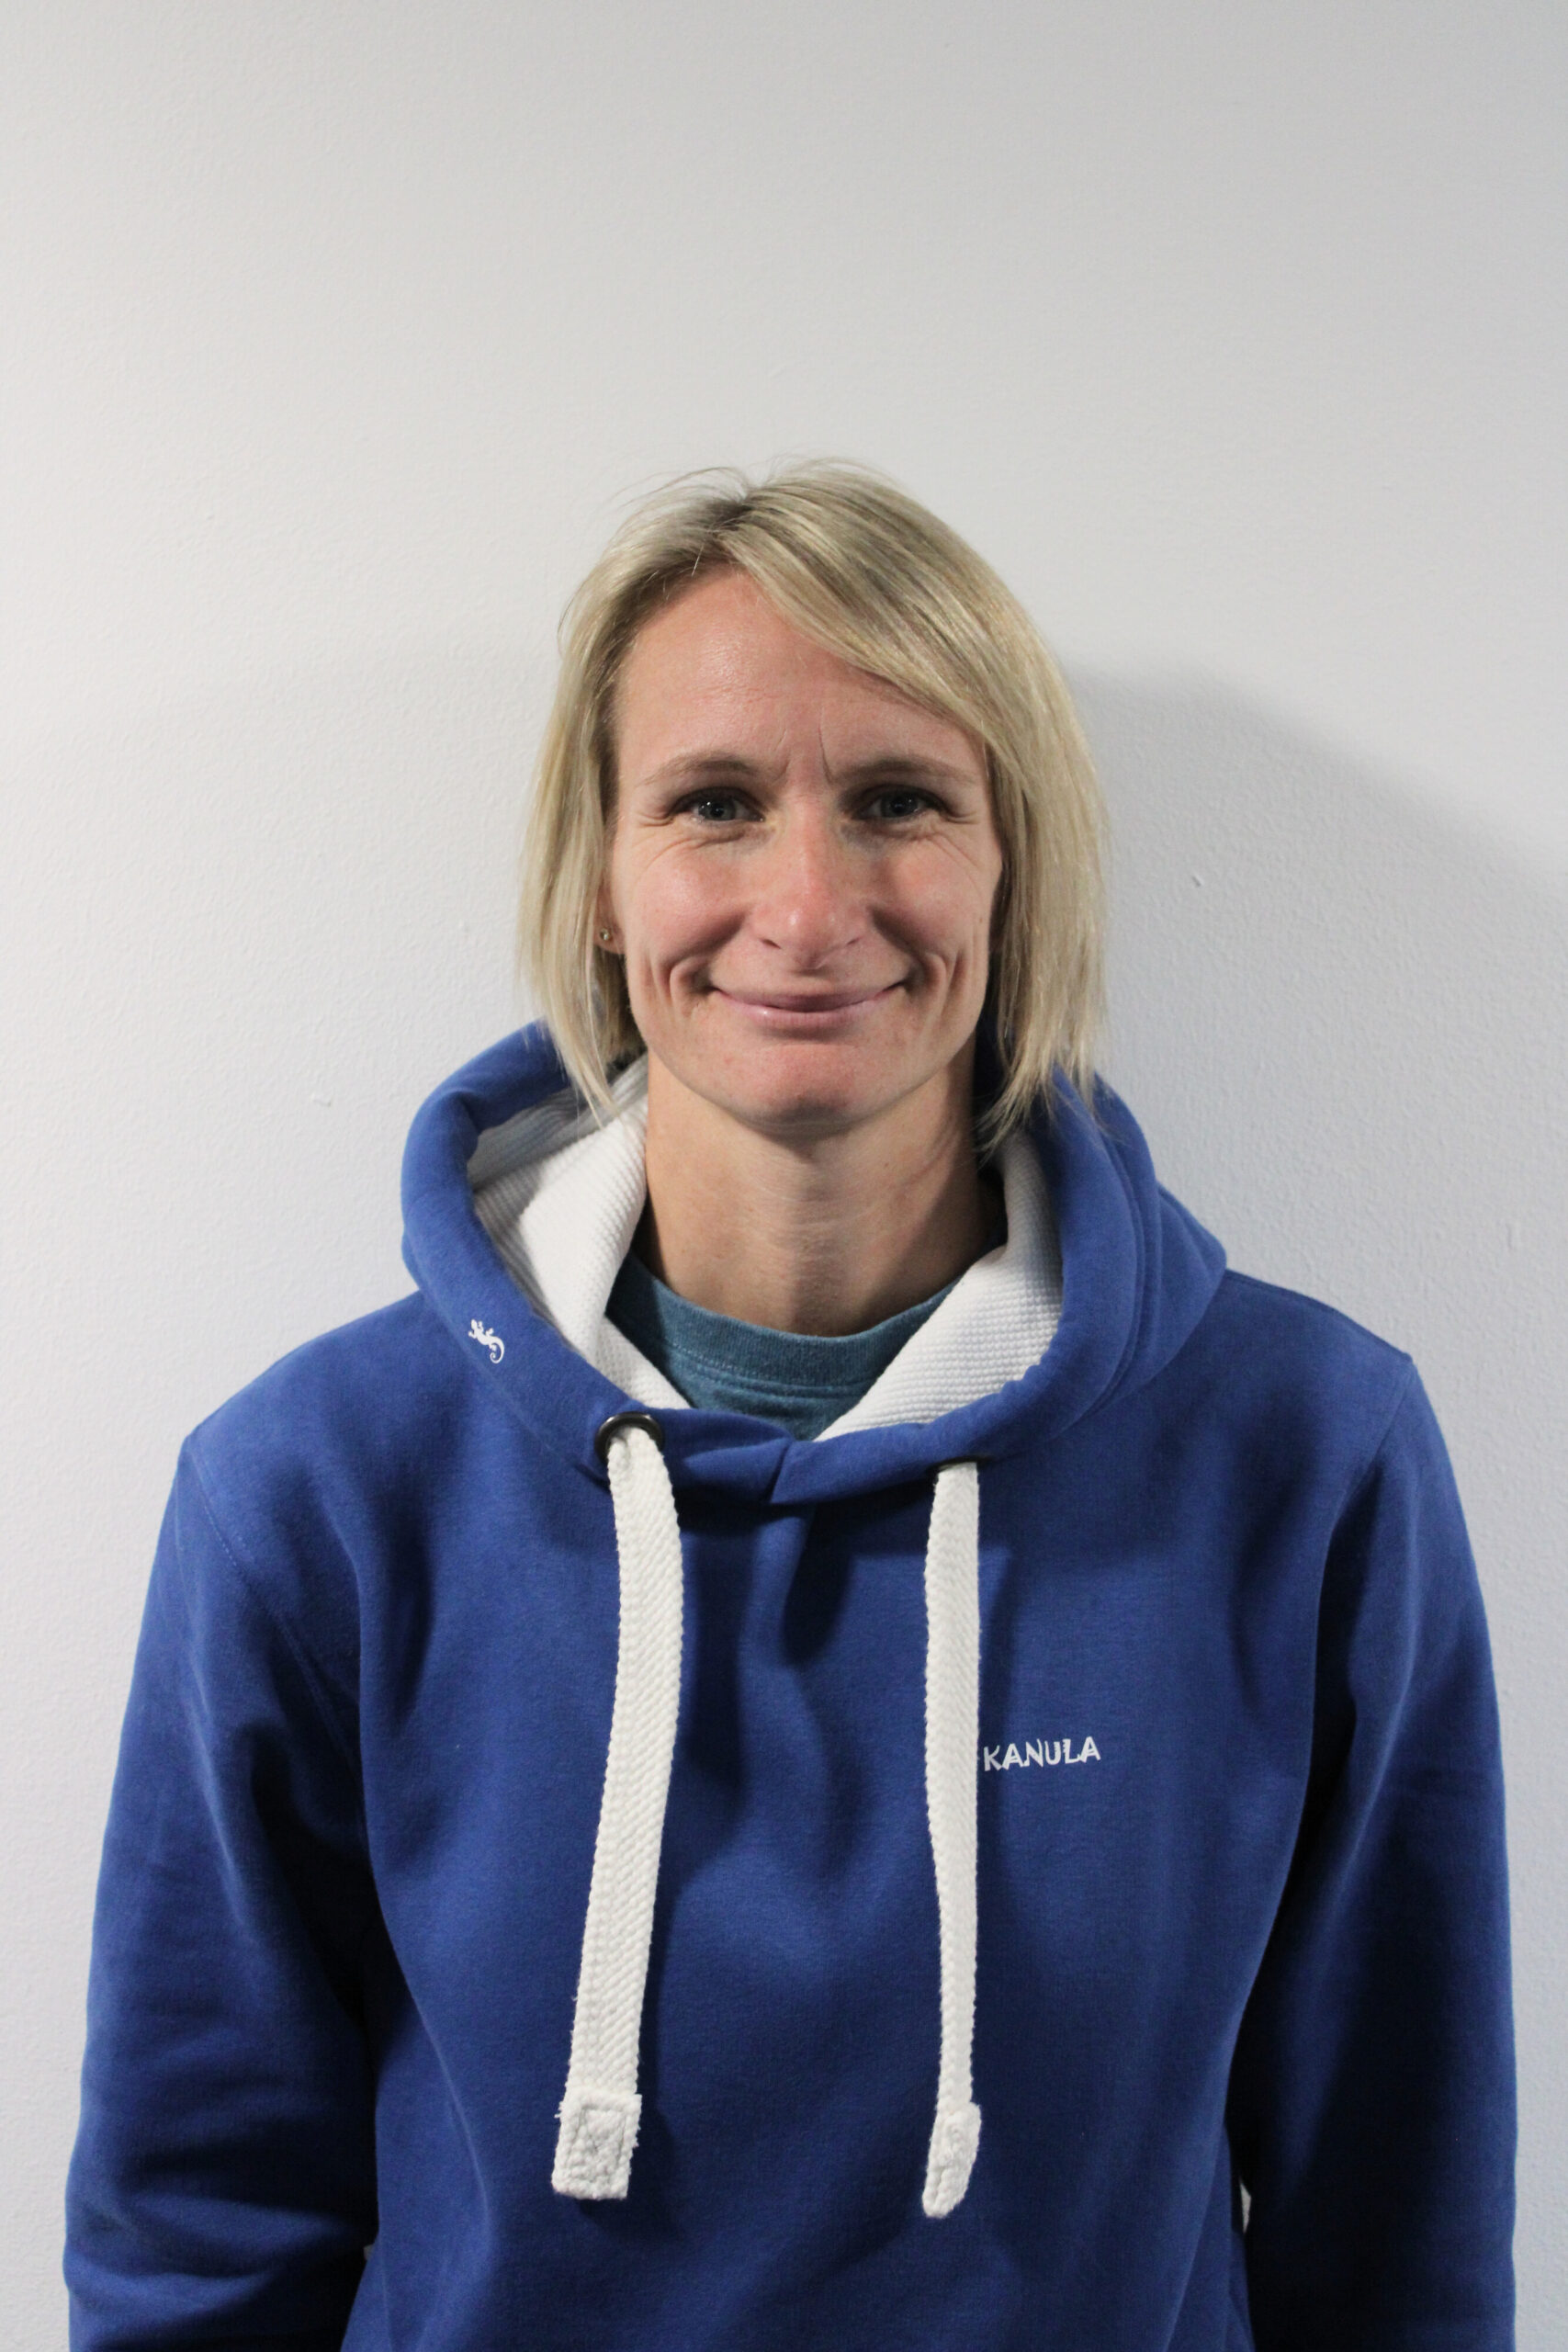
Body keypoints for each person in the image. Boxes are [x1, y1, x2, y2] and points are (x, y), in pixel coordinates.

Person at [65, 465, 1516, 2350]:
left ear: (1015, 867)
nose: (807, 901)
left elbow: (1393, 2227)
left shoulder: (1303, 1456)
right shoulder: (317, 1489)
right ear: (600, 877)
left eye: (899, 800)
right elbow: (199, 2229)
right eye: (714, 804)